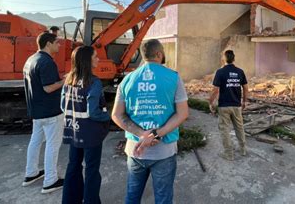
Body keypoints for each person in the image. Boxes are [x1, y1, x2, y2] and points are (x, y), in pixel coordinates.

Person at [112, 39, 189, 204]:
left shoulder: (127, 80)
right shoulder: (173, 77)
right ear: (159, 54)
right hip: (164, 151)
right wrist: (156, 134)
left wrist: (142, 134)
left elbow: (117, 115)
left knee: (132, 196)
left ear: (143, 55)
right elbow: (183, 113)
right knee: (163, 198)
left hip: (135, 148)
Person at [61, 46, 110, 204]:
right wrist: (109, 116)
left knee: (73, 166)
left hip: (73, 131)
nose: (98, 59)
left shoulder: (69, 79)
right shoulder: (94, 82)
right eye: (95, 57)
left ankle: (69, 200)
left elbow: (63, 105)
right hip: (91, 134)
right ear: (87, 60)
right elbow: (94, 112)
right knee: (91, 170)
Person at [22, 32, 65, 193]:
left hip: (37, 110)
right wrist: (65, 81)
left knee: (35, 141)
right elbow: (48, 87)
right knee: (53, 145)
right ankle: (50, 180)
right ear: (48, 44)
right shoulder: (47, 62)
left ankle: (31, 173)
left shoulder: (31, 60)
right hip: (50, 112)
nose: (59, 45)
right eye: (57, 42)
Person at [209, 50, 248, 161]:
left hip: (224, 106)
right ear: (234, 59)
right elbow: (246, 88)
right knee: (239, 127)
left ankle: (229, 154)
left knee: (224, 129)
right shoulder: (240, 72)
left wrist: (211, 102)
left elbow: (215, 90)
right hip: (236, 105)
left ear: (224, 59)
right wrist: (244, 102)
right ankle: (243, 149)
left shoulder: (220, 72)